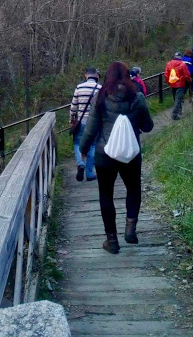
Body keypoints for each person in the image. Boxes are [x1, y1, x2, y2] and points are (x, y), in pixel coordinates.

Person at [79, 62, 153, 254]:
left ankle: (112, 240)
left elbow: (91, 129)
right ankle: (130, 228)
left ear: (107, 77)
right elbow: (148, 127)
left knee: (106, 195)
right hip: (131, 154)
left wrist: (84, 149)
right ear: (128, 76)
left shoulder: (100, 98)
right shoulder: (137, 98)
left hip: (105, 154)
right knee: (133, 188)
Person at [70, 67, 101, 182]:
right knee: (92, 145)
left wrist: (72, 120)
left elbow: (73, 107)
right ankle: (89, 173)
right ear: (96, 76)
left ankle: (80, 163)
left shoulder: (79, 87)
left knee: (78, 143)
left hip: (81, 121)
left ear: (86, 75)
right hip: (95, 122)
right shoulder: (100, 88)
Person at [164, 52, 192, 120]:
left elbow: (166, 74)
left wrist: (168, 82)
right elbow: (186, 75)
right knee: (178, 99)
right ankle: (174, 114)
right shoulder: (182, 64)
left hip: (172, 83)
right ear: (180, 57)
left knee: (175, 98)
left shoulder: (169, 64)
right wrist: (189, 80)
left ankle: (179, 110)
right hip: (180, 83)